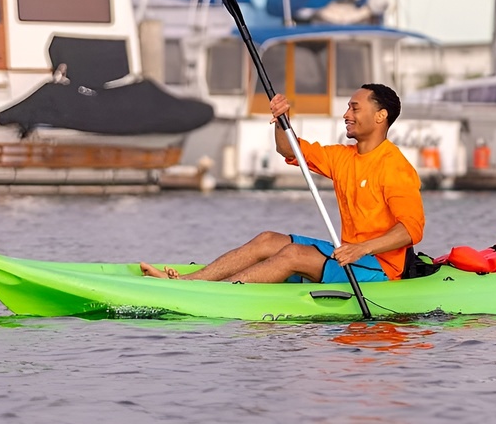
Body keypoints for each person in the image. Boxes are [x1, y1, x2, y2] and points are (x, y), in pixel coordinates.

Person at [140, 83, 425, 283]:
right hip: (347, 253)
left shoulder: (395, 167)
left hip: (382, 267)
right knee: (266, 240)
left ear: (380, 116)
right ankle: (190, 281)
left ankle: (216, 292)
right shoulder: (343, 157)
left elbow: (411, 230)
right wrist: (281, 121)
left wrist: (361, 249)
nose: (346, 115)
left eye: (354, 108)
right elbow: (290, 151)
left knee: (293, 255)